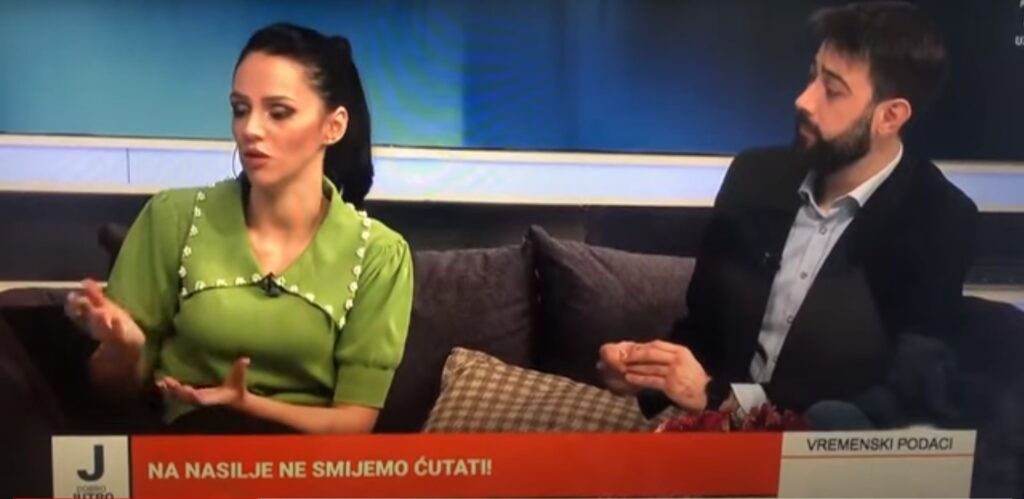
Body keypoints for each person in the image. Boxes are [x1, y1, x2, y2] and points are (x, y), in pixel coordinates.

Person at [598, 2, 978, 429]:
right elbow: (706, 329)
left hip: (829, 454)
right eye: (811, 75)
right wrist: (644, 370)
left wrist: (721, 398)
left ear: (889, 116)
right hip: (715, 436)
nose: (804, 100)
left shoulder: (938, 219)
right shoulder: (754, 178)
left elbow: (898, 398)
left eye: (832, 89)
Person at [63, 23, 414, 434]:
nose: (250, 129)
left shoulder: (379, 255)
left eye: (278, 112)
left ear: (333, 126)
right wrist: (125, 350)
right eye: (240, 109)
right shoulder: (172, 218)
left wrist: (247, 403)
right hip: (186, 450)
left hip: (305, 462)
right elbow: (109, 394)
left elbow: (353, 426)